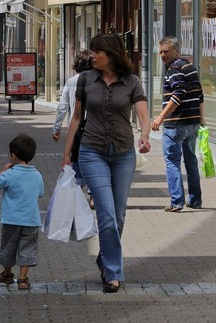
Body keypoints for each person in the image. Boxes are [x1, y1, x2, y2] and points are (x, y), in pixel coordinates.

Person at [62, 33, 151, 293]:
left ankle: (105, 258)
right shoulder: (85, 80)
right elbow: (77, 118)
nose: (92, 56)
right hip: (92, 152)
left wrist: (145, 137)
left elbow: (144, 116)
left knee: (119, 215)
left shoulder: (132, 82)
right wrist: (67, 153)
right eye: (91, 51)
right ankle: (113, 272)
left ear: (111, 53)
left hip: (124, 153)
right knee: (106, 215)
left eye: (96, 52)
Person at [152, 37, 204, 212]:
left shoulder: (174, 69)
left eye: (165, 51)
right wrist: (201, 118)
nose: (162, 55)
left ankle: (177, 202)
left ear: (176, 50)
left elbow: (178, 93)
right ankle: (195, 201)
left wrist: (160, 117)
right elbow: (200, 94)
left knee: (172, 162)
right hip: (192, 123)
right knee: (191, 161)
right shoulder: (190, 67)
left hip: (176, 123)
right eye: (160, 52)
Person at [0, 133, 45, 291]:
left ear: (13, 156)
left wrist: (3, 171)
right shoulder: (37, 175)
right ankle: (22, 279)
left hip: (11, 219)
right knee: (27, 247)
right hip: (31, 220)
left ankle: (7, 274)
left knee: (8, 246)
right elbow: (40, 193)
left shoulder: (10, 174)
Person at [52, 53, 93, 150]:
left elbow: (63, 107)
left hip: (74, 127)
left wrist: (56, 128)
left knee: (75, 156)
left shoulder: (71, 81)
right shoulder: (97, 81)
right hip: (94, 128)